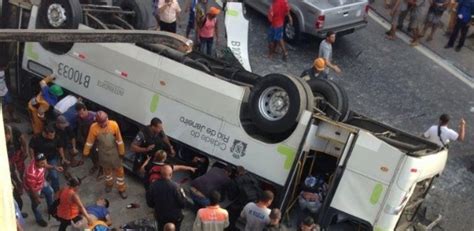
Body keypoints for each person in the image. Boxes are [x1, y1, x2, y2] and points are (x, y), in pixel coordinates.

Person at [83, 111, 128, 199]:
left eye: (104, 122)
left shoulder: (114, 125)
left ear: (107, 119)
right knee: (107, 172)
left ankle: (121, 189)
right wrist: (85, 152)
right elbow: (89, 141)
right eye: (101, 123)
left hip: (114, 152)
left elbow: (119, 140)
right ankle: (109, 184)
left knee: (120, 172)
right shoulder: (93, 128)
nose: (103, 124)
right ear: (97, 122)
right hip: (103, 153)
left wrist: (122, 152)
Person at [23, 153, 63, 227]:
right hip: (34, 189)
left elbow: (46, 165)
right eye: (42, 163)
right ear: (36, 162)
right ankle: (39, 219)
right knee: (36, 205)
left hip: (41, 181)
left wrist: (55, 167)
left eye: (45, 161)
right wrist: (36, 198)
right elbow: (32, 188)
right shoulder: (31, 173)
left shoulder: (41, 163)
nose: (44, 164)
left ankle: (50, 209)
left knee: (50, 192)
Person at [146, 165, 187, 231]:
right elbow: (183, 204)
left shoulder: (153, 186)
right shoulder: (176, 187)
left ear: (160, 174)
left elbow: (149, 203)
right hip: (175, 217)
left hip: (160, 216)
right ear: (171, 175)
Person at [29, 124, 67, 192]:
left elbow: (60, 147)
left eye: (53, 135)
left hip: (52, 158)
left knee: (54, 176)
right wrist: (32, 158)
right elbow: (31, 148)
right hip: (40, 160)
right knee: (41, 177)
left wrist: (63, 157)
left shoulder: (56, 137)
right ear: (45, 134)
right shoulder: (36, 137)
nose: (53, 137)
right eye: (51, 136)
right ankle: (43, 190)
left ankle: (56, 191)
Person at [75, 102, 102, 176]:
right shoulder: (78, 117)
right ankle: (96, 166)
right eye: (79, 114)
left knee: (100, 154)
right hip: (87, 139)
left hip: (97, 140)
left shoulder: (95, 116)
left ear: (85, 109)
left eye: (82, 113)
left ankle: (102, 169)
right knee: (92, 154)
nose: (81, 115)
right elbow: (79, 127)